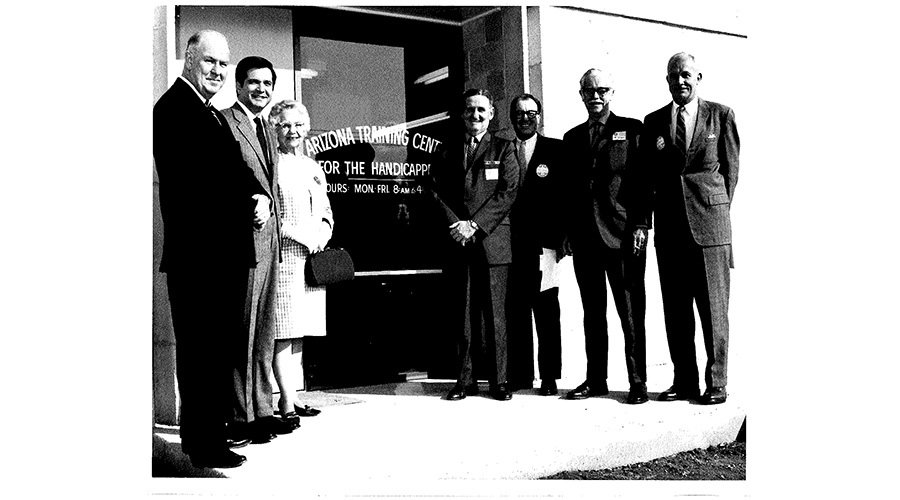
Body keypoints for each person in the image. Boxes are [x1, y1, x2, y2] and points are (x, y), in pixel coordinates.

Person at [153, 30, 271, 468]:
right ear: (188, 59)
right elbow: (194, 186)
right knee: (201, 356)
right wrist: (246, 203)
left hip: (222, 258)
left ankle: (210, 434)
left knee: (216, 353)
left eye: (224, 64)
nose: (218, 71)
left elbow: (236, 169)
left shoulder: (212, 115)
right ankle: (202, 444)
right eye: (210, 62)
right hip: (200, 260)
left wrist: (258, 193)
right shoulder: (171, 110)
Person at [632, 52, 739, 405]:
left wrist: (714, 211)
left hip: (709, 229)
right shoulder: (654, 121)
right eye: (674, 75)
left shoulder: (720, 115)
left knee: (713, 310)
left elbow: (730, 174)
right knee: (676, 310)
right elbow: (646, 177)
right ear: (667, 81)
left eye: (687, 74)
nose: (680, 80)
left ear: (699, 77)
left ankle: (717, 381)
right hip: (670, 231)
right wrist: (644, 222)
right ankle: (685, 380)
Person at [220, 56, 298, 440]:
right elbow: (223, 181)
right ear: (238, 86)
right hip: (242, 243)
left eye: (268, 83)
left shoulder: (267, 127)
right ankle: (239, 417)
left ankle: (262, 409)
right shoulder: (224, 122)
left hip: (270, 243)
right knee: (242, 332)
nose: (262, 90)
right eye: (253, 83)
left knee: (265, 331)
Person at [562, 68, 649, 405]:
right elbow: (568, 191)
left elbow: (642, 181)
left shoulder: (631, 129)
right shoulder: (571, 138)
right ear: (581, 95)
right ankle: (596, 379)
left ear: (612, 93)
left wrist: (641, 224)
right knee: (592, 312)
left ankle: (637, 382)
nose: (595, 96)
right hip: (585, 239)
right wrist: (567, 232)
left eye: (602, 89)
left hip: (623, 236)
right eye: (588, 90)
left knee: (630, 313)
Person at [427, 88, 519, 402]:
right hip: (458, 242)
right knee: (463, 315)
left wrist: (474, 225)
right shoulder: (447, 150)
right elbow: (434, 189)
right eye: (469, 111)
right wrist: (456, 224)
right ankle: (464, 381)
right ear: (462, 115)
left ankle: (499, 381)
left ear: (491, 114)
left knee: (495, 316)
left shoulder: (505, 148)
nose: (475, 116)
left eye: (481, 110)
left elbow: (507, 193)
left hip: (491, 242)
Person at [269, 100, 332, 417]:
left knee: (301, 329)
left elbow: (325, 210)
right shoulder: (272, 166)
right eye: (284, 125)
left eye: (297, 125)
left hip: (312, 262)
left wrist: (323, 232)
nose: (292, 131)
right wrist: (303, 236)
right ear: (274, 128)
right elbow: (271, 218)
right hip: (285, 260)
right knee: (284, 331)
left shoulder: (312, 166)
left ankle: (293, 397)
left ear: (305, 128)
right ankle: (284, 400)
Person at [506, 93, 567, 396]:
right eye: (519, 113)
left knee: (546, 311)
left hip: (546, 247)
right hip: (511, 245)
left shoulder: (555, 150)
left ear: (539, 116)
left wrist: (565, 236)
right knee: (515, 309)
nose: (525, 118)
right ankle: (520, 375)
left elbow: (568, 197)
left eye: (531, 112)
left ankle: (549, 377)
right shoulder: (503, 150)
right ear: (511, 118)